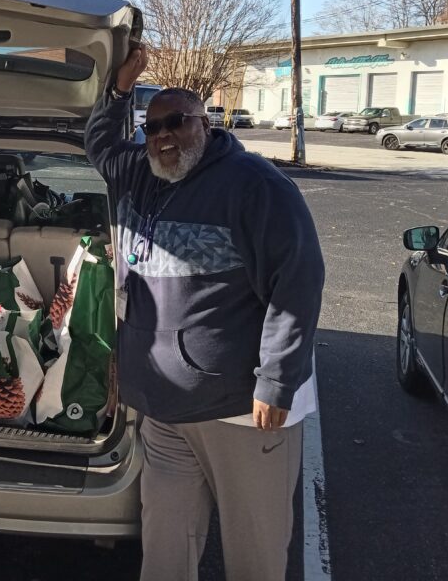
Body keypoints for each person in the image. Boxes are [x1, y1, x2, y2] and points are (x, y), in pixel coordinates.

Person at [85, 47, 324, 581]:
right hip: (165, 408)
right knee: (166, 544)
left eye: (178, 123)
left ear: (207, 123)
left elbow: (299, 280)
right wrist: (118, 92)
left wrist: (276, 381)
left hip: (241, 409)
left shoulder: (253, 184)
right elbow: (100, 145)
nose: (164, 135)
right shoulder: (142, 173)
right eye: (153, 127)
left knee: (254, 553)